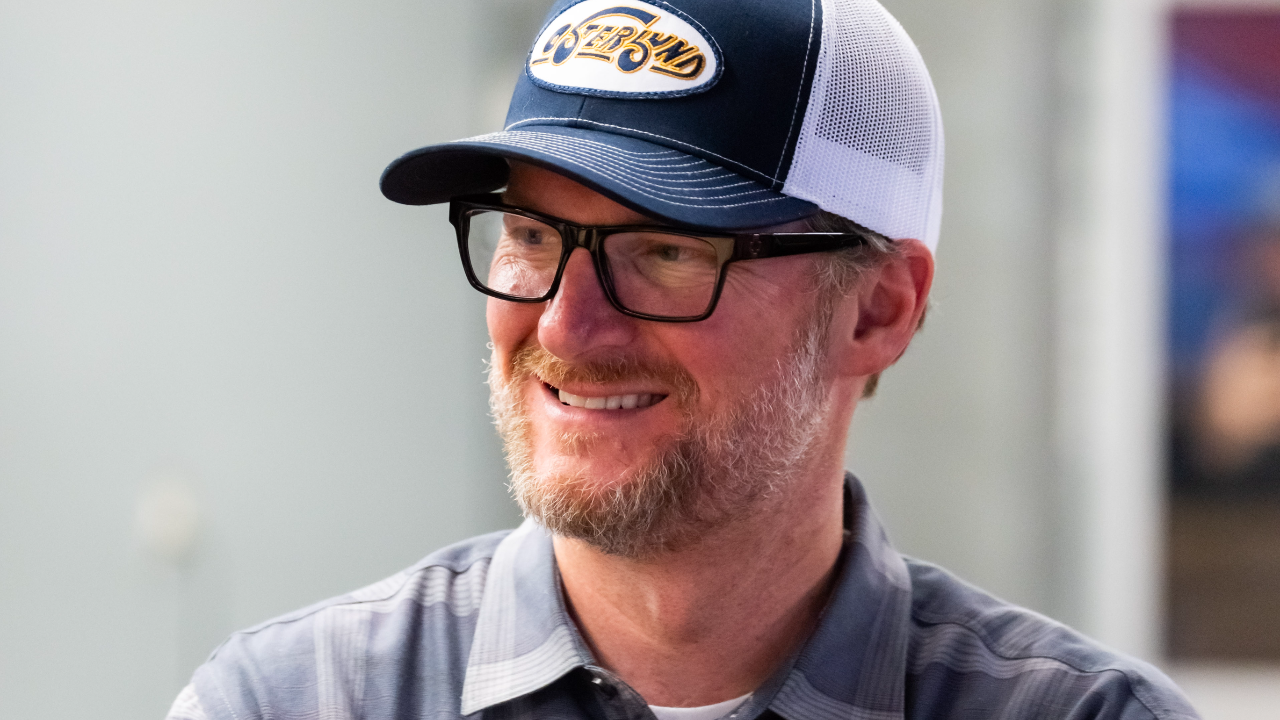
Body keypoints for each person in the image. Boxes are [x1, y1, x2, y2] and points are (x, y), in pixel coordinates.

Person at [166, 1, 1200, 718]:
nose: (567, 328)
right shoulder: (291, 701)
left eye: (664, 251)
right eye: (527, 235)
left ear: (879, 310)